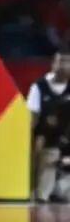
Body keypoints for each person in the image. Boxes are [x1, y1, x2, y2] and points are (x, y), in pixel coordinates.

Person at [28, 50, 70, 202]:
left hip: (66, 143)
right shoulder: (39, 87)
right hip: (46, 142)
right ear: (53, 64)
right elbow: (32, 119)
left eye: (68, 62)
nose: (64, 66)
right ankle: (40, 193)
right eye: (61, 61)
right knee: (48, 155)